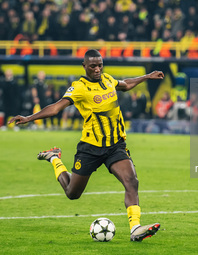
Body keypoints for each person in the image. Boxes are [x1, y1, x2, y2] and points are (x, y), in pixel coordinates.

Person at [8, 49, 164, 242]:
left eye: (100, 65)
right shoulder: (79, 87)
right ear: (84, 66)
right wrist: (29, 118)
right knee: (73, 193)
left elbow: (125, 84)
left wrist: (147, 76)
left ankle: (135, 229)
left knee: (131, 181)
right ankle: (55, 158)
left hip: (116, 146)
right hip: (90, 148)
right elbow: (56, 107)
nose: (97, 69)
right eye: (93, 66)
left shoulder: (107, 79)